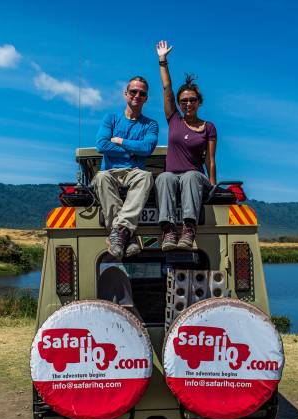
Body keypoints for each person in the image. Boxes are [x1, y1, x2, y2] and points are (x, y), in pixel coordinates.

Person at [155, 40, 217, 251]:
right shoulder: (174, 120)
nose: (187, 104)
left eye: (192, 100)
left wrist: (213, 186)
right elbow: (167, 89)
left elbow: (210, 159)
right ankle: (169, 230)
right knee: (163, 176)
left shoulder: (208, 127)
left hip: (195, 178)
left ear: (199, 102)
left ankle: (189, 229)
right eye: (183, 101)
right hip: (173, 178)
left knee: (190, 175)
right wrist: (163, 61)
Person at [93, 76, 158, 259]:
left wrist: (120, 141)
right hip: (111, 172)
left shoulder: (151, 124)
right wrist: (132, 151)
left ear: (146, 98)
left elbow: (147, 148)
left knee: (146, 176)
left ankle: (117, 233)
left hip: (134, 173)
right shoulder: (111, 118)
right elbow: (102, 145)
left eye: (142, 93)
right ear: (125, 94)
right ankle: (125, 235)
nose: (137, 95)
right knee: (101, 177)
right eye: (133, 91)